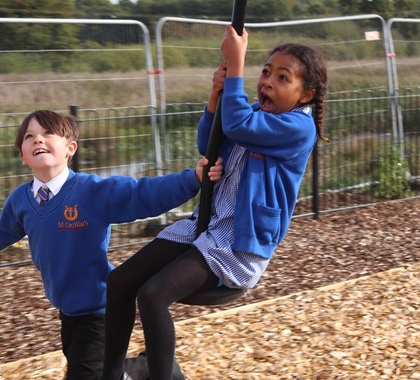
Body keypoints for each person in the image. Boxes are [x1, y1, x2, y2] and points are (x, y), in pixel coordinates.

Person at [100, 24, 328, 380]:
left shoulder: (299, 128)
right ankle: (110, 374)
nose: (267, 81)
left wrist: (236, 64)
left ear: (306, 94)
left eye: (283, 78)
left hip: (239, 242)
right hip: (205, 224)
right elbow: (210, 141)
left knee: (153, 295)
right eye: (265, 71)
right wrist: (216, 95)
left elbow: (236, 125)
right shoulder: (254, 113)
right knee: (120, 282)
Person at [0, 109, 223, 380]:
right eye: (29, 136)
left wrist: (192, 180)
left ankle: (148, 365)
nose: (38, 138)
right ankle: (145, 365)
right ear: (23, 156)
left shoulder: (90, 191)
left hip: (102, 310)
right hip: (68, 312)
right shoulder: (20, 201)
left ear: (70, 149)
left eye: (48, 133)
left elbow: (141, 194)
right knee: (99, 373)